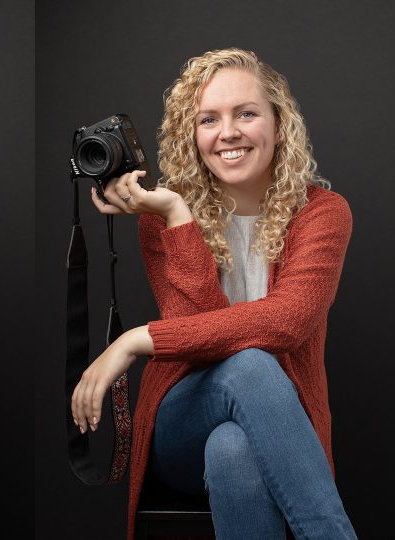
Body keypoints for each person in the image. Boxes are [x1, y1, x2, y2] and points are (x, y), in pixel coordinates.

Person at [71, 48, 357, 539]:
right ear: (192, 135)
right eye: (209, 118)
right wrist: (180, 220)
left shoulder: (322, 213)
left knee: (234, 449)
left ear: (278, 122)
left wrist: (138, 339)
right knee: (247, 364)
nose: (228, 132)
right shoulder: (163, 219)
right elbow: (204, 351)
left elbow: (287, 323)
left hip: (279, 422)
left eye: (246, 113)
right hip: (183, 419)